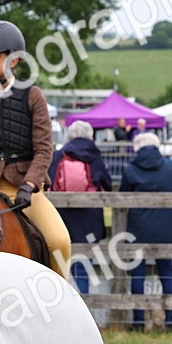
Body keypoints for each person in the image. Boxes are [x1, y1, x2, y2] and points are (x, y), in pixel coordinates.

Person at [0, 19, 72, 279]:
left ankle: (60, 300)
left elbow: (45, 149)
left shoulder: (32, 96)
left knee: (59, 241)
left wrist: (30, 185)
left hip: (25, 190)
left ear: (14, 61)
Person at [121, 132, 172, 333]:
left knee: (137, 275)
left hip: (137, 231)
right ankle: (171, 322)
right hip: (164, 230)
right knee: (167, 274)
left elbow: (123, 196)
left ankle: (138, 322)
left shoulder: (131, 169)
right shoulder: (169, 166)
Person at [48, 120, 111, 293]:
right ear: (90, 136)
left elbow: (48, 181)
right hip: (89, 220)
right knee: (84, 266)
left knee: (61, 267)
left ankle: (61, 309)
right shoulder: (95, 157)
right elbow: (107, 184)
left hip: (61, 219)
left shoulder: (58, 155)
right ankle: (83, 307)